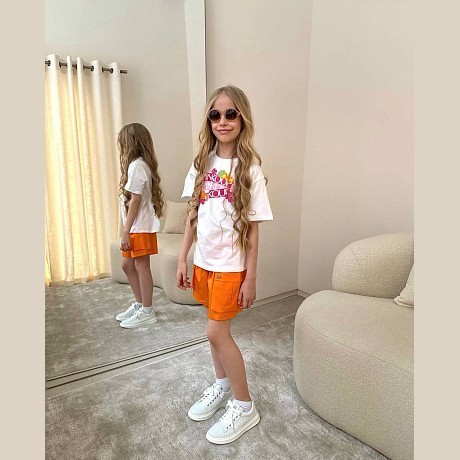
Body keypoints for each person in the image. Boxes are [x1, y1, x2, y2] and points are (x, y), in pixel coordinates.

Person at [177, 85, 273, 444]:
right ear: (209, 121)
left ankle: (244, 406)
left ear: (242, 118)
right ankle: (221, 385)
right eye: (215, 114)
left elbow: (254, 229)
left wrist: (251, 277)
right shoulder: (201, 164)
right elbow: (192, 215)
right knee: (212, 329)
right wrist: (183, 258)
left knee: (216, 333)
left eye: (231, 113)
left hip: (232, 267)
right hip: (204, 262)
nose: (223, 121)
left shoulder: (250, 169)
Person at [115, 123, 164, 328]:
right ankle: (140, 304)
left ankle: (147, 311)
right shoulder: (138, 166)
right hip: (135, 227)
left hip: (140, 227)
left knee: (141, 267)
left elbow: (135, 201)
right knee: (127, 265)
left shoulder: (137, 166)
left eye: (123, 143)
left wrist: (125, 231)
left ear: (130, 143)